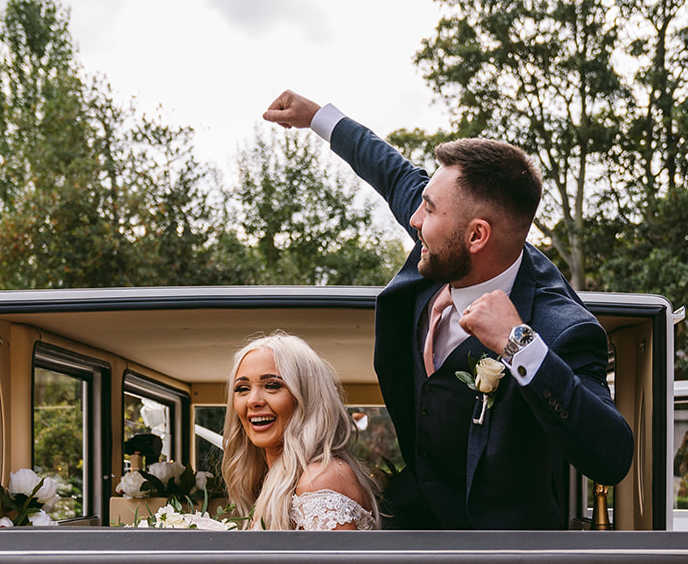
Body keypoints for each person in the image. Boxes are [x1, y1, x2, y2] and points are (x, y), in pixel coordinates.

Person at [262, 91, 634, 529]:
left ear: (477, 236)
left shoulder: (561, 326)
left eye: (429, 209)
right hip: (415, 516)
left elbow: (611, 457)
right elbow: (393, 173)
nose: (415, 219)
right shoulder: (446, 237)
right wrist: (318, 117)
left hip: (504, 555)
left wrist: (520, 347)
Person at [222, 333, 380, 530]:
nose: (253, 400)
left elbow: (333, 562)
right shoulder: (273, 479)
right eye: (242, 388)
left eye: (272, 386)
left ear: (307, 397)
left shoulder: (319, 479)